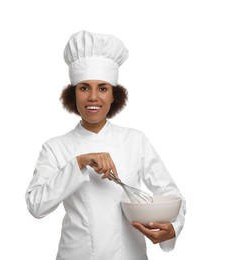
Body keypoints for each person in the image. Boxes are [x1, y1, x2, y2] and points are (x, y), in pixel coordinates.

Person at [25, 30, 186, 260]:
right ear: (73, 94)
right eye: (84, 88)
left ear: (113, 95)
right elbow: (36, 205)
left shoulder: (135, 140)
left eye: (102, 88)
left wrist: (173, 228)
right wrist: (79, 162)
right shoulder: (55, 147)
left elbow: (171, 194)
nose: (93, 97)